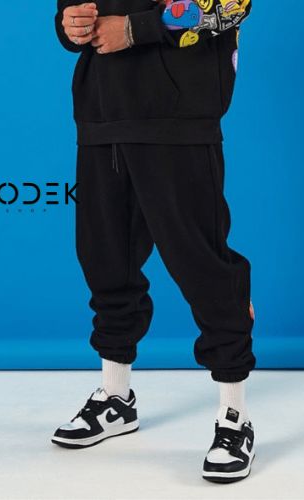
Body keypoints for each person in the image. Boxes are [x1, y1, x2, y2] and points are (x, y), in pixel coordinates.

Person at [51, 0, 256, 483]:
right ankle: (116, 398)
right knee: (105, 260)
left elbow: (233, 5)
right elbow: (69, 13)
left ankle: (235, 416)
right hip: (102, 116)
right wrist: (69, 25)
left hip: (178, 115)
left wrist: (135, 29)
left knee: (202, 264)